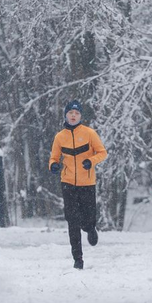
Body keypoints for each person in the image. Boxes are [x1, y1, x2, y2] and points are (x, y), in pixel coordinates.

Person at [48, 100, 108, 269]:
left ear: (81, 116)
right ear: (65, 116)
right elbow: (53, 157)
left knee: (87, 217)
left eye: (76, 113)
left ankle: (90, 228)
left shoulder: (89, 134)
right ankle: (78, 258)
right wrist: (53, 165)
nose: (73, 116)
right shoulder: (59, 137)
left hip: (87, 182)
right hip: (67, 182)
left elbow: (102, 153)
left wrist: (91, 160)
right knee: (72, 220)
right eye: (70, 113)